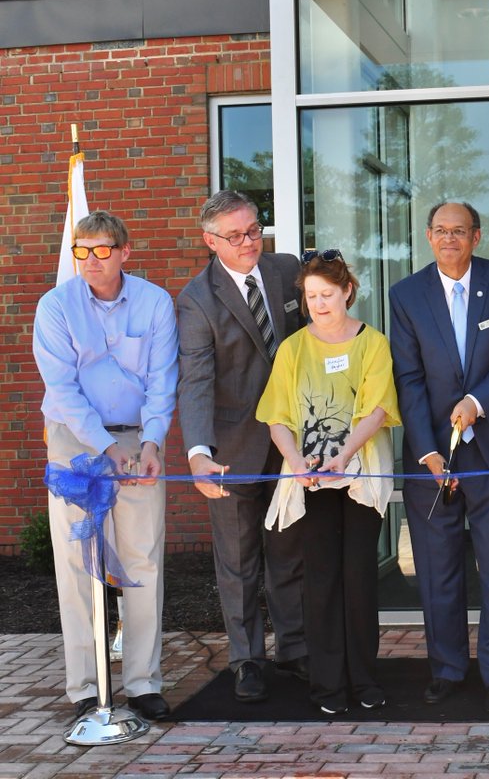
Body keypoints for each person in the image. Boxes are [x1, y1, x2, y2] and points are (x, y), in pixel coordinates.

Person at [33, 210, 178, 722]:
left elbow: (163, 379)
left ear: (124, 252)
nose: (90, 262)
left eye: (100, 250)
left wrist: (155, 442)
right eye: (81, 251)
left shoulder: (155, 302)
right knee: (76, 567)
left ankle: (142, 683)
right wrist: (102, 447)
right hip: (75, 441)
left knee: (142, 559)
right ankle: (85, 688)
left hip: (138, 437)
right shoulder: (54, 305)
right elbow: (62, 388)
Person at [389, 201, 489, 713]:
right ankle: (447, 668)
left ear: (476, 235)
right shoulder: (406, 294)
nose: (450, 238)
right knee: (437, 570)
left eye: (460, 231)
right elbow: (407, 378)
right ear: (428, 236)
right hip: (432, 459)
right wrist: (426, 449)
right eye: (441, 230)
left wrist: (477, 402)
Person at [176, 190, 307, 703]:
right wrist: (199, 453)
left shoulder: (286, 269)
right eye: (236, 236)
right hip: (234, 446)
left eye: (254, 229)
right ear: (211, 242)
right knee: (238, 561)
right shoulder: (196, 300)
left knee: (290, 552)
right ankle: (247, 659)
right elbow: (196, 381)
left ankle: (294, 650)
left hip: (293, 441)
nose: (250, 241)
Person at [256, 251, 400, 715]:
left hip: (359, 480)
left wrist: (344, 455)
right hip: (311, 482)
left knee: (359, 578)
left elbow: (377, 410)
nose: (318, 304)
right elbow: (276, 417)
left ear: (347, 292)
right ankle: (326, 685)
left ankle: (364, 678)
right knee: (319, 580)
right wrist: (297, 461)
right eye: (310, 296)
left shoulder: (372, 343)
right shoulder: (293, 348)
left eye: (326, 295)